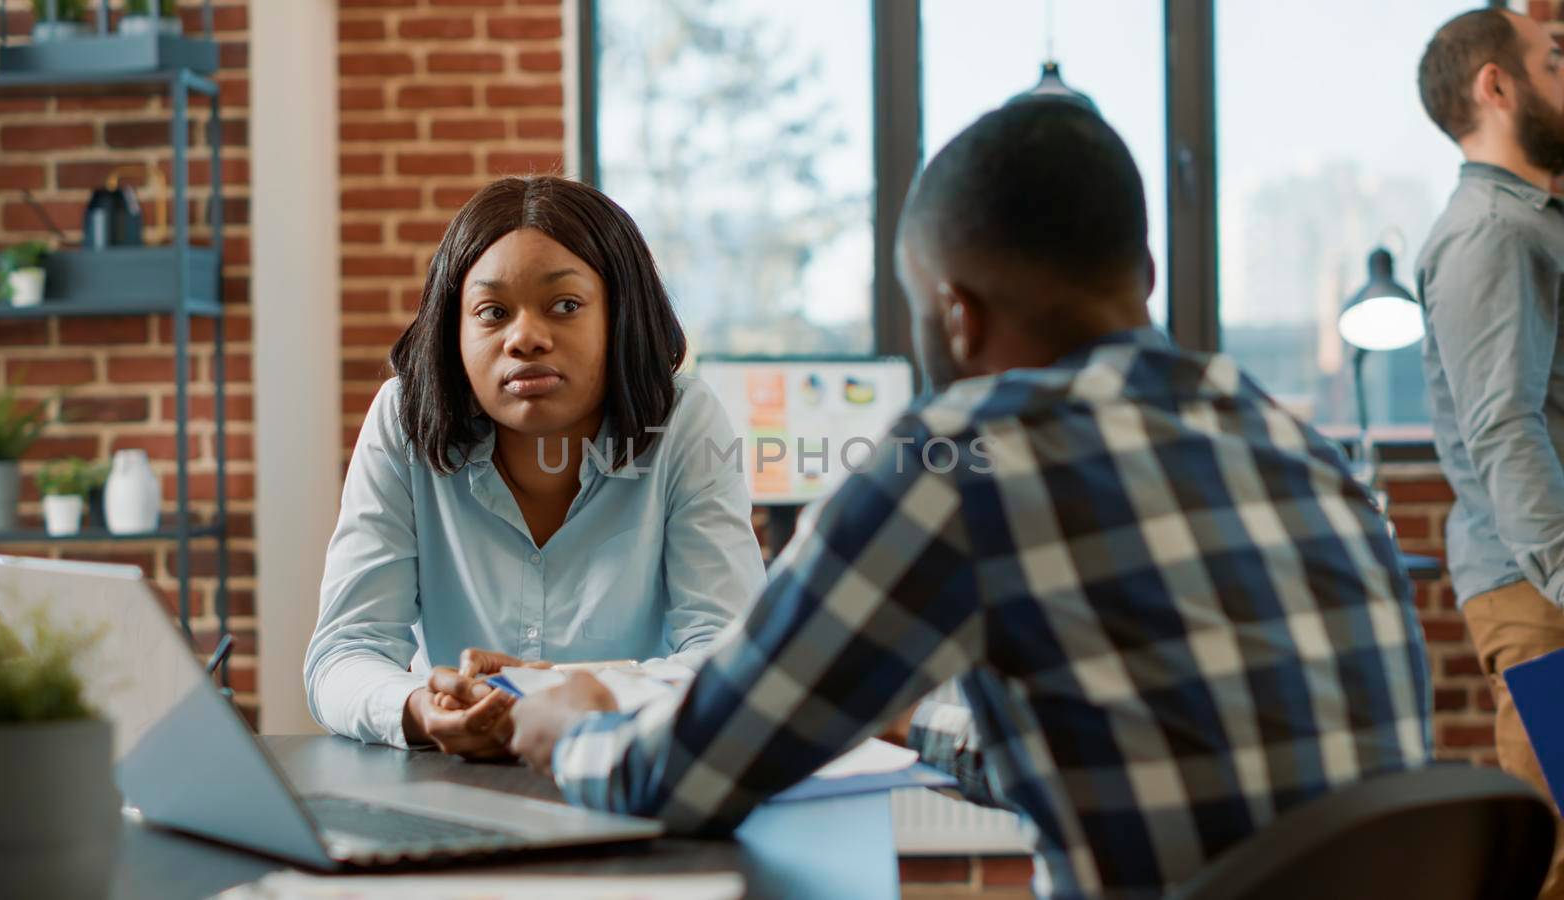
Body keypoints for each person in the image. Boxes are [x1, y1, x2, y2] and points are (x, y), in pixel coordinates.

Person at [499, 101, 1432, 898]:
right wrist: (920, 723)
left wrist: (571, 727)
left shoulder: (964, 457)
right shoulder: (1287, 439)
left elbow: (687, 776)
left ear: (955, 313)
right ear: (1145, 278)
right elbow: (1167, 741)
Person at [304, 177, 766, 759]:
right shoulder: (404, 421)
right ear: (455, 332)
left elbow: (733, 653)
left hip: (632, 771)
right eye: (492, 312)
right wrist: (420, 709)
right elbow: (345, 651)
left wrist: (569, 696)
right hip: (450, 784)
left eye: (566, 305)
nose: (525, 338)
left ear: (621, 317)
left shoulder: (683, 422)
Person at [1418, 8, 1564, 896]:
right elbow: (1504, 425)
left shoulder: (1533, 221)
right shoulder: (1490, 234)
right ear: (1497, 85)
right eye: (1557, 60)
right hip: (1540, 593)